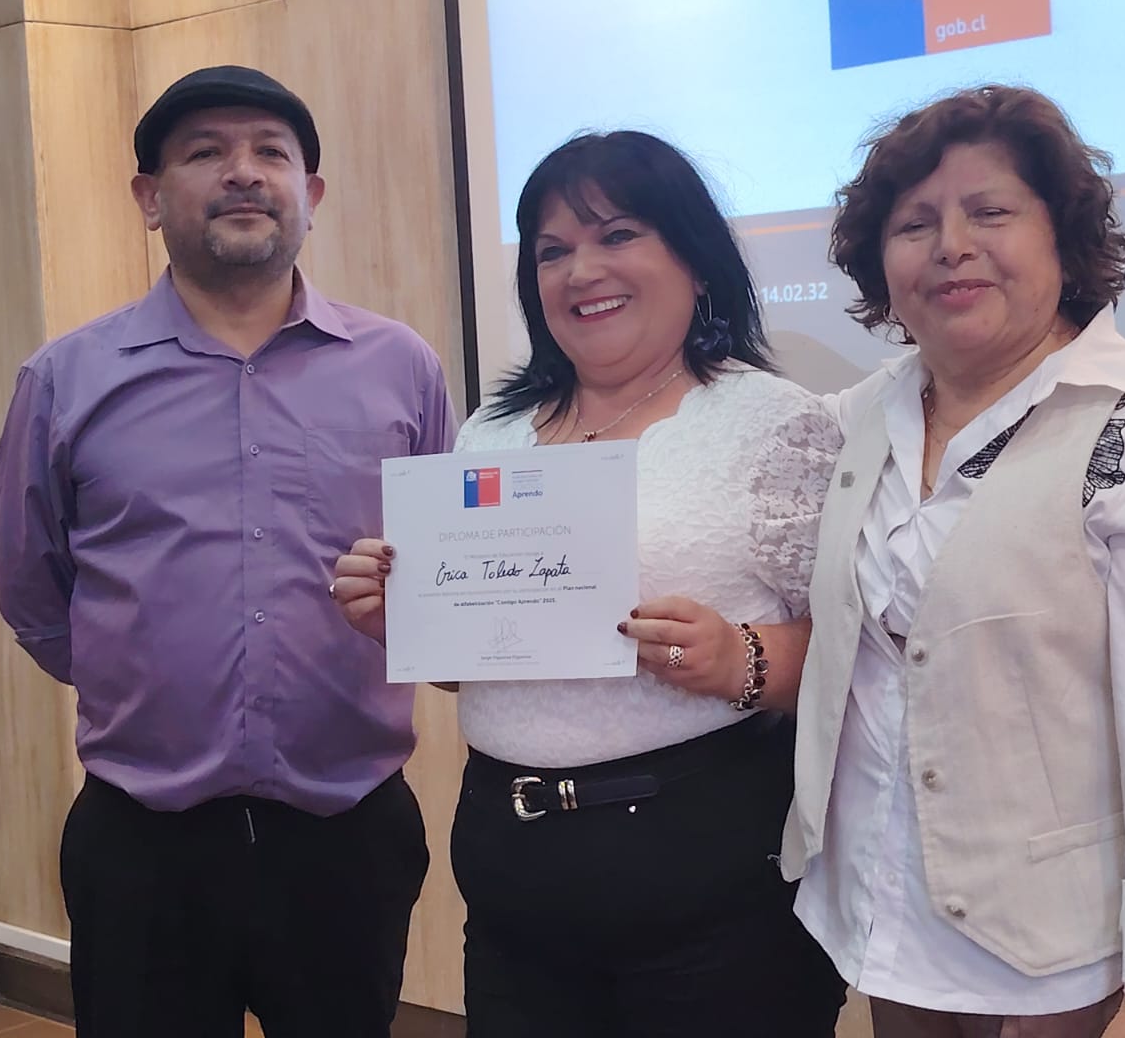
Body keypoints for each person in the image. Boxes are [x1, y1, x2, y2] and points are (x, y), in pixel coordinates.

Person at [781, 85, 1125, 1038]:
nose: (952, 245)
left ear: (1063, 242)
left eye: (990, 212)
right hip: (884, 926)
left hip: (1063, 967)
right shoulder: (863, 416)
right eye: (915, 224)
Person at [332, 131, 849, 1036]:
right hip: (512, 869)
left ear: (694, 259)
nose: (581, 271)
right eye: (552, 250)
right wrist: (402, 619)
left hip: (714, 871)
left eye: (617, 235)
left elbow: (864, 656)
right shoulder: (491, 434)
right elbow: (477, 671)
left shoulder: (776, 423)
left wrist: (743, 659)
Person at [0, 65, 455, 1038]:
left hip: (348, 832)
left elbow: (440, 573)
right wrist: (143, 676)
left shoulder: (401, 368)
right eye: (205, 152)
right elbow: (35, 592)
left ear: (311, 194)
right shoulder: (67, 379)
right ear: (149, 198)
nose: (243, 172)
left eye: (270, 153)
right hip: (142, 843)